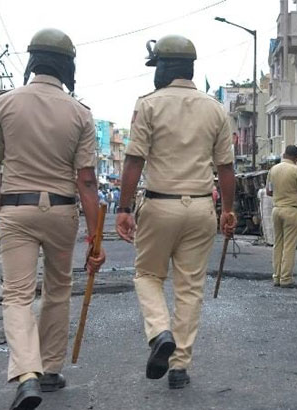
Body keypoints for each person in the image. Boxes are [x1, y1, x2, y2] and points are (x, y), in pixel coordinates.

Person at [0, 28, 106, 410]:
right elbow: (86, 180)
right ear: (67, 66)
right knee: (58, 288)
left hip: (16, 206)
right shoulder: (80, 113)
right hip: (62, 208)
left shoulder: (4, 105)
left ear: (32, 61)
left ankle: (27, 374)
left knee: (17, 295)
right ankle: (50, 369)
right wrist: (94, 239)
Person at [115, 34, 237, 390]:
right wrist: (227, 210)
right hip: (201, 207)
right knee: (190, 287)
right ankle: (180, 364)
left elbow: (134, 159)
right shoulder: (215, 108)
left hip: (160, 203)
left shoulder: (148, 104)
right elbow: (226, 168)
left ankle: (159, 332)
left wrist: (123, 209)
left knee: (148, 276)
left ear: (164, 67)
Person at [266, 145, 297, 288]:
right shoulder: (296, 170)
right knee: (289, 246)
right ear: (296, 157)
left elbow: (268, 191)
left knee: (277, 244)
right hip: (291, 210)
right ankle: (286, 278)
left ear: (284, 154)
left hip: (276, 209)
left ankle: (276, 276)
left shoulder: (273, 169)